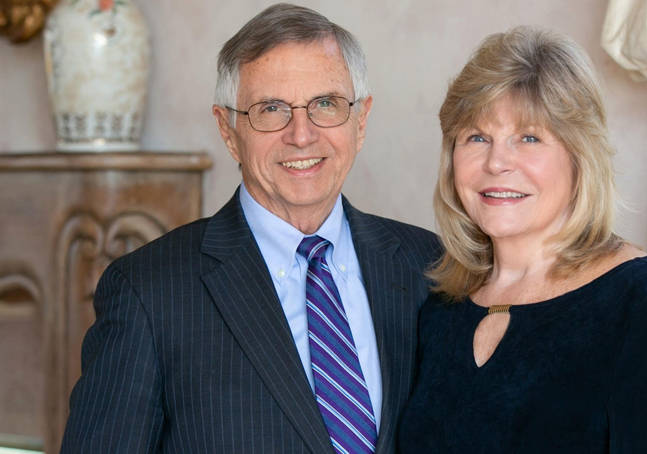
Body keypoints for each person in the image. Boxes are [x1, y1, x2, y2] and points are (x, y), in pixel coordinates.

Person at [60, 4, 440, 454]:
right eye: (271, 108)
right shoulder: (149, 293)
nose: (302, 134)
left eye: (325, 103)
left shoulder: (427, 265)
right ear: (228, 129)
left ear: (360, 120)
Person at [397, 27, 647, 453]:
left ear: (579, 157)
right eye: (477, 136)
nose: (496, 162)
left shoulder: (642, 303)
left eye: (529, 137)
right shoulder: (439, 308)